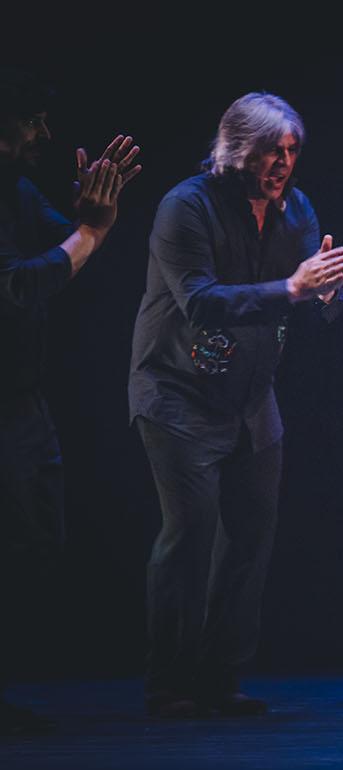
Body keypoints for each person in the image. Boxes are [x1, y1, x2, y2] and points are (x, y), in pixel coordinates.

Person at [128, 92, 343, 718]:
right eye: (270, 152)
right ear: (236, 151)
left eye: (291, 152)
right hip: (177, 391)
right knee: (190, 532)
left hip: (251, 397)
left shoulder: (297, 211)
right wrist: (293, 286)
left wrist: (327, 290)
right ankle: (169, 681)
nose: (282, 164)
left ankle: (219, 677)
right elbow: (201, 301)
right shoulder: (187, 207)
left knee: (250, 537)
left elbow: (315, 299)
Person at [0, 69, 142, 734]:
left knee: (35, 542)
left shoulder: (17, 190)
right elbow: (18, 286)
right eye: (31, 120)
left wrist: (92, 218)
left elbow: (75, 243)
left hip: (20, 401)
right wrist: (87, 234)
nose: (43, 134)